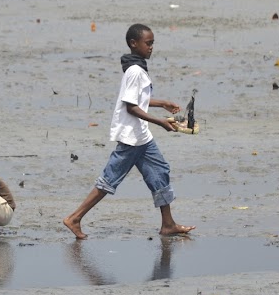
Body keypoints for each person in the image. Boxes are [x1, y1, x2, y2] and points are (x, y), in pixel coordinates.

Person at [63, 23, 195, 240]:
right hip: (131, 138)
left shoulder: (137, 68)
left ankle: (168, 224)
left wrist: (162, 103)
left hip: (141, 136)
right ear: (134, 44)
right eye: (148, 43)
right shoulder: (135, 71)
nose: (151, 47)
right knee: (109, 180)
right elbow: (130, 106)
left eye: (153, 43)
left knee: (160, 171)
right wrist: (160, 122)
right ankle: (75, 218)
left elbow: (139, 100)